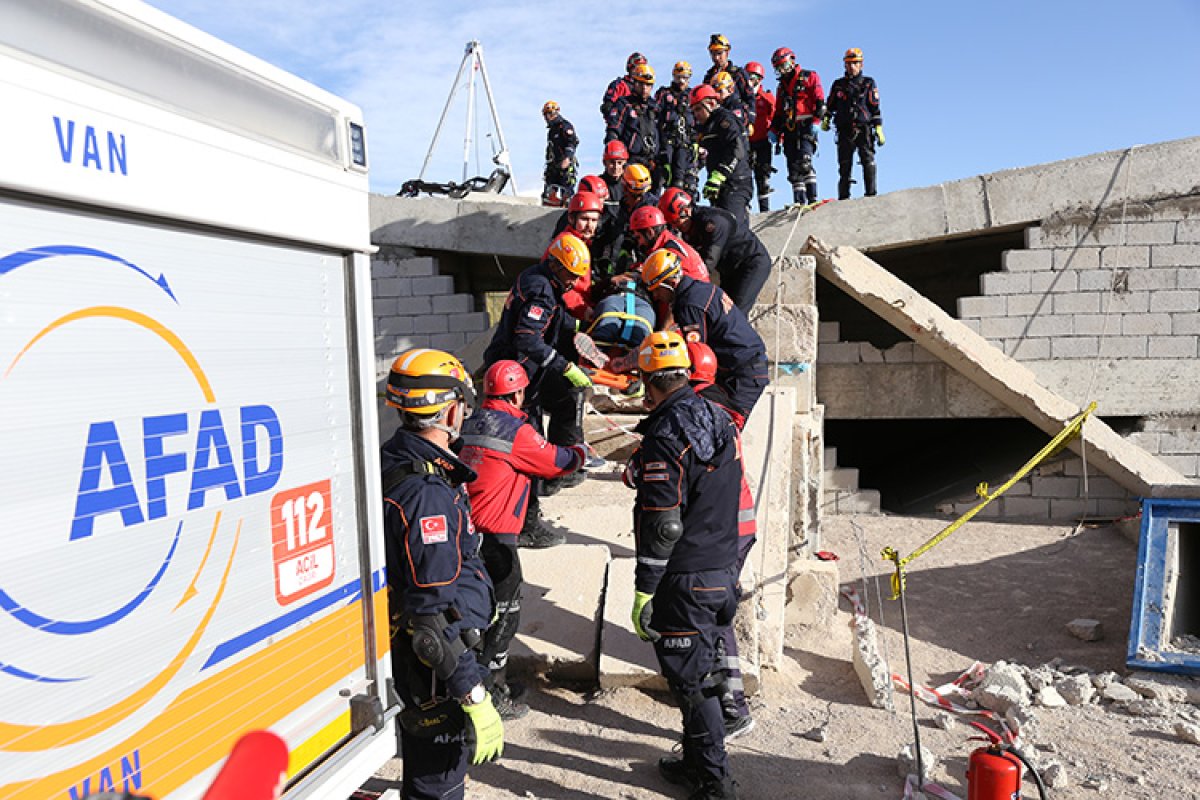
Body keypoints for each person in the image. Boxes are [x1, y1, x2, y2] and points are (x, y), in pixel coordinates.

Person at [380, 348, 504, 800]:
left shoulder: (397, 457)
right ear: (450, 408)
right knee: (439, 784)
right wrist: (473, 693)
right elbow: (430, 624)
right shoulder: (425, 492)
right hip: (435, 669)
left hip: (433, 660)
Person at [626, 330, 743, 800]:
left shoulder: (667, 435)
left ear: (647, 381)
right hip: (722, 567)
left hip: (685, 576)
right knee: (705, 671)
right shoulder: (719, 418)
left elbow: (663, 525)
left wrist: (644, 587)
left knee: (691, 684)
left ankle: (715, 783)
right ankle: (697, 764)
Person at [459, 361, 588, 716]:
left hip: (464, 535)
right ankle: (490, 694)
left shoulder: (469, 422)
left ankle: (489, 684)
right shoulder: (517, 431)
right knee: (505, 614)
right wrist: (580, 453)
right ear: (518, 393)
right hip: (496, 540)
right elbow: (557, 462)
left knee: (474, 613)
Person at [482, 234, 594, 547]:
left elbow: (553, 320)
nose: (573, 283)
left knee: (564, 401)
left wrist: (577, 332)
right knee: (524, 444)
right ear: (557, 265)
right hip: (513, 379)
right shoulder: (541, 291)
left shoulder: (538, 278)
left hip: (520, 371)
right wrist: (565, 366)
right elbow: (527, 339)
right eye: (570, 275)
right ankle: (527, 525)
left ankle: (557, 472)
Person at [686, 340, 757, 740]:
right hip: (738, 526)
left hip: (723, 532)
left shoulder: (698, 416)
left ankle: (732, 706)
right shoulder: (723, 409)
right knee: (713, 611)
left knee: (715, 616)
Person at [640, 249, 768, 427]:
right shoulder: (699, 290)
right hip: (740, 366)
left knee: (723, 429)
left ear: (670, 283)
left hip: (742, 374)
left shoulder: (690, 305)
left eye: (657, 290)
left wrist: (663, 394)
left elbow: (697, 358)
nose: (656, 296)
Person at [659, 187, 772, 313]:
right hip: (728, 269)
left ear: (686, 211)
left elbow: (708, 261)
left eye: (676, 222)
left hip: (751, 263)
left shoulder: (714, 222)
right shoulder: (688, 230)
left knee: (736, 314)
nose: (676, 227)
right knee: (720, 313)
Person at [825, 47, 884, 200]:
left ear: (861, 64)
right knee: (844, 165)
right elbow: (830, 105)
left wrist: (878, 128)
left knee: (868, 160)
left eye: (855, 63)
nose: (852, 66)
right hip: (844, 129)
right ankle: (844, 198)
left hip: (863, 128)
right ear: (844, 65)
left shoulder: (868, 83)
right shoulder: (838, 85)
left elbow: (875, 107)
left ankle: (871, 194)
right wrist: (826, 119)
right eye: (849, 63)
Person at [690, 85, 753, 227]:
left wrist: (719, 175)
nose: (696, 114)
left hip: (736, 183)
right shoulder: (706, 126)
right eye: (693, 111)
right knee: (722, 230)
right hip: (719, 186)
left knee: (734, 230)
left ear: (711, 104)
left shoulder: (724, 119)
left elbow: (736, 149)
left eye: (699, 109)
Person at [770, 47, 825, 206]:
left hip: (807, 125)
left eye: (784, 65)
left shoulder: (809, 77)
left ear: (792, 61)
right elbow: (779, 112)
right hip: (789, 128)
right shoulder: (781, 87)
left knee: (805, 162)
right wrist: (774, 130)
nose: (782, 70)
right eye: (779, 68)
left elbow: (820, 101)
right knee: (793, 168)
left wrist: (816, 122)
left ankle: (813, 198)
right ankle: (799, 202)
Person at [549, 191, 610, 321]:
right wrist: (582, 308)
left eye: (594, 220)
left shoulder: (580, 242)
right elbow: (556, 283)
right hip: (569, 312)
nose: (589, 226)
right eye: (584, 219)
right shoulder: (565, 245)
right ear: (571, 218)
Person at [606, 63, 660, 171]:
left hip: (651, 162)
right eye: (641, 84)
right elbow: (613, 131)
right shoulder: (624, 103)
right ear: (634, 83)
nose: (644, 88)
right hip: (630, 160)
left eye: (647, 85)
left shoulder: (655, 107)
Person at [654, 61, 697, 194]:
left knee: (681, 179)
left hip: (685, 143)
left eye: (685, 78)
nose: (681, 81)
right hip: (667, 141)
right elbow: (656, 117)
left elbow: (698, 120)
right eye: (679, 77)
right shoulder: (664, 94)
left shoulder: (693, 96)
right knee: (663, 176)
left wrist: (696, 141)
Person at [702, 34, 755, 130]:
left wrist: (750, 121)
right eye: (713, 54)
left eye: (719, 53)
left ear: (727, 52)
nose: (716, 58)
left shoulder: (738, 74)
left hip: (736, 120)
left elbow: (750, 98)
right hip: (715, 123)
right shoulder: (708, 78)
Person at [744, 62, 776, 213]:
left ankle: (765, 210)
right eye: (748, 76)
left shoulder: (767, 97)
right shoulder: (742, 99)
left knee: (763, 177)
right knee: (744, 177)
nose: (750, 80)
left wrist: (778, 138)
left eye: (753, 77)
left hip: (763, 141)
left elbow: (776, 117)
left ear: (760, 78)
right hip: (746, 143)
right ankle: (745, 209)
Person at [541, 101, 578, 205]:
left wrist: (567, 158)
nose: (546, 118)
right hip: (553, 165)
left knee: (567, 195)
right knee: (548, 194)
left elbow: (572, 142)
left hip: (564, 165)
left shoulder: (565, 126)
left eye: (548, 114)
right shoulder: (552, 131)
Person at [601, 51, 648, 120]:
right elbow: (607, 107)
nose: (639, 71)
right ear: (631, 68)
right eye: (637, 68)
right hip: (623, 124)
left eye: (642, 68)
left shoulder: (645, 88)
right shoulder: (620, 85)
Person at [600, 140, 629, 206]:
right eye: (612, 162)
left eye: (619, 163)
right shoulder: (598, 185)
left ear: (625, 163)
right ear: (604, 163)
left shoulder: (630, 186)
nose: (616, 167)